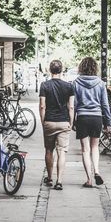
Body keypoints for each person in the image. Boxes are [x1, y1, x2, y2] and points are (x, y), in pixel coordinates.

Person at [73, 57, 111, 188]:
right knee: (95, 147)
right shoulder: (100, 83)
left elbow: (74, 104)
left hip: (83, 117)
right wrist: (109, 123)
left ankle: (89, 179)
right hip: (97, 118)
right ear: (95, 68)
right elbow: (105, 105)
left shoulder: (76, 83)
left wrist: (72, 120)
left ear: (81, 68)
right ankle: (97, 171)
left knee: (85, 149)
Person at [39, 60, 74, 190]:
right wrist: (71, 122)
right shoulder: (69, 86)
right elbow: (71, 106)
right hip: (63, 122)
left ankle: (49, 178)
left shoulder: (44, 85)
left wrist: (43, 121)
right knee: (62, 152)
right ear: (62, 70)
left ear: (49, 70)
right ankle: (59, 181)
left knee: (49, 150)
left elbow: (42, 106)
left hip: (49, 121)